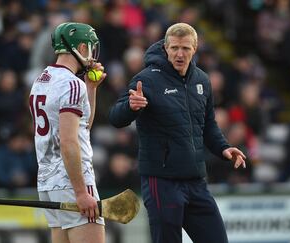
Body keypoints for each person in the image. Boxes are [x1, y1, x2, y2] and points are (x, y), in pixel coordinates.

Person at [109, 23, 246, 243]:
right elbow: (115, 118)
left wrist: (223, 148)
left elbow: (208, 124)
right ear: (165, 48)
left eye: (185, 48)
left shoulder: (202, 80)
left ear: (195, 48)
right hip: (162, 181)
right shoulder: (147, 80)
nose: (179, 54)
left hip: (196, 180)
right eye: (174, 48)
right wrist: (130, 107)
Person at [29, 22, 106, 243]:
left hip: (48, 183)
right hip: (72, 181)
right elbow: (69, 142)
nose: (92, 55)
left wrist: (91, 89)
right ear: (81, 48)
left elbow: (82, 127)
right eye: (90, 48)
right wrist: (82, 192)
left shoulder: (42, 79)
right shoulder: (72, 84)